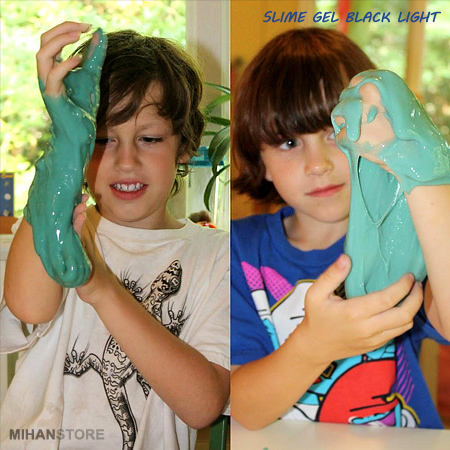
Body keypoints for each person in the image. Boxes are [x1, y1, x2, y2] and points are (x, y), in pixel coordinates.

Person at [1, 21, 229, 450]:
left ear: (185, 145)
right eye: (102, 139)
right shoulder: (56, 223)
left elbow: (203, 406)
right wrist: (65, 146)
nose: (125, 160)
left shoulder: (217, 256)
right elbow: (30, 306)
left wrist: (100, 287)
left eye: (149, 138)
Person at [230, 27, 450, 430]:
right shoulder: (238, 253)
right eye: (288, 143)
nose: (318, 165)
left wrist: (423, 174)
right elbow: (244, 409)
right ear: (259, 161)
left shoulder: (409, 237)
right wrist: (313, 346)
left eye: (336, 133)